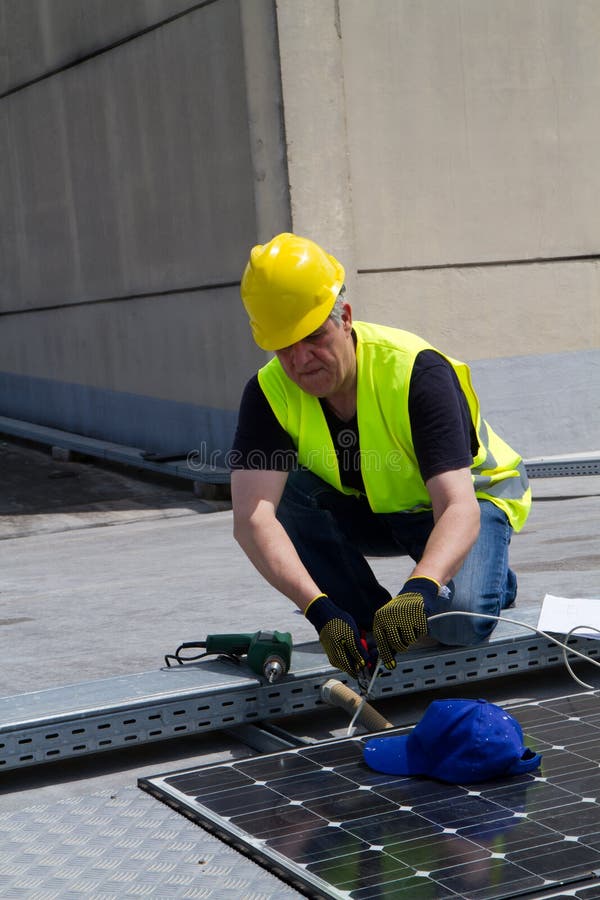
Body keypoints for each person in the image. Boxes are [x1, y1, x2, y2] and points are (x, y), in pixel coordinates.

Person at [230, 233, 531, 678]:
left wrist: (419, 593)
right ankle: (370, 617)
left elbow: (457, 504)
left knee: (460, 621)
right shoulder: (268, 391)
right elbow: (252, 520)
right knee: (284, 494)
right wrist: (320, 611)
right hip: (379, 510)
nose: (301, 360)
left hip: (467, 505)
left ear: (345, 318)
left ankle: (484, 580)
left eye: (313, 337)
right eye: (284, 346)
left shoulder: (415, 371)